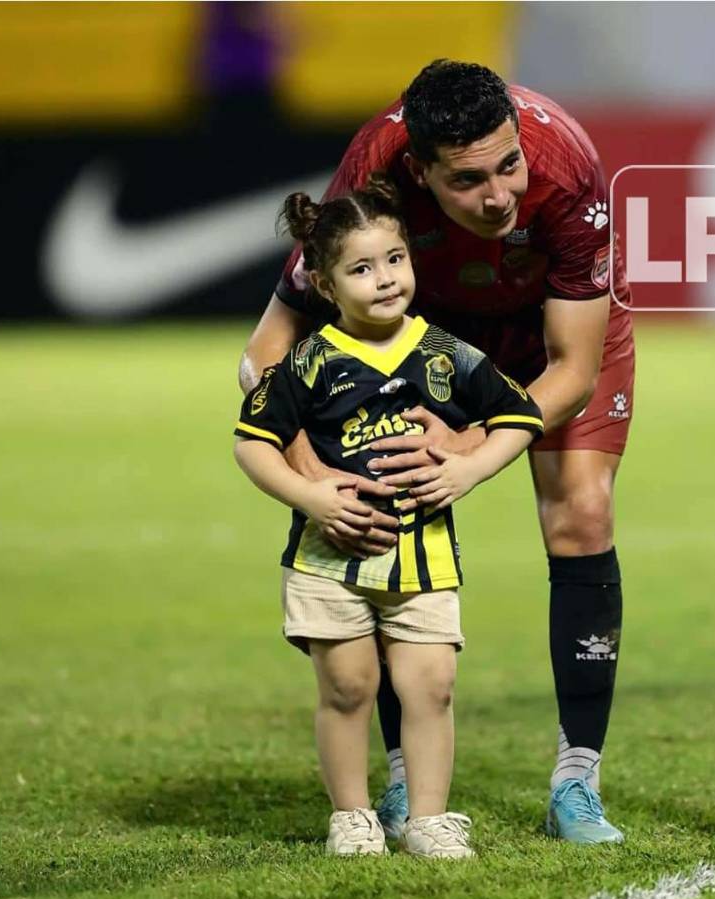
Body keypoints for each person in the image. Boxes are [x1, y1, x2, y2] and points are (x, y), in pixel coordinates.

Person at [240, 60, 635, 845]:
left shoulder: (569, 173)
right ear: (417, 172)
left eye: (508, 165)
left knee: (582, 513)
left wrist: (472, 451)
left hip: (545, 337)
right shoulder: (373, 167)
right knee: (377, 504)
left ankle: (576, 781)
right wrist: (312, 473)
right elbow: (266, 351)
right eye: (467, 180)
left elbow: (573, 367)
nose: (498, 196)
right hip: (418, 335)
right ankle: (396, 782)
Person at [233, 175, 544, 858]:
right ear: (322, 283)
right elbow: (250, 445)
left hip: (423, 559)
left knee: (430, 686)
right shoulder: (309, 363)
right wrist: (311, 497)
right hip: (328, 563)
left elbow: (519, 415)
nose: (383, 279)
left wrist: (466, 467)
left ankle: (429, 818)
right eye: (361, 268)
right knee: (348, 687)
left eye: (394, 260)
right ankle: (351, 816)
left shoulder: (444, 354)